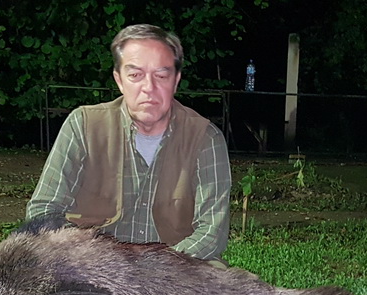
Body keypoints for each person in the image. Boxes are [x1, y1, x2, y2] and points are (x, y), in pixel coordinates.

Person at [27, 24, 231, 262]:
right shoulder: (82, 125)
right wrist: (94, 258)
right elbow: (43, 211)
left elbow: (211, 234)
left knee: (222, 286)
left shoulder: (205, 138)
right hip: (92, 263)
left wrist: (151, 269)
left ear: (176, 80)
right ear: (119, 80)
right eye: (135, 75)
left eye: (161, 76)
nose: (149, 88)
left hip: (176, 268)